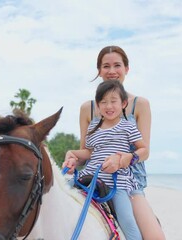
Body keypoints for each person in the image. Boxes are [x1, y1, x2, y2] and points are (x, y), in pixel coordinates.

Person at [77, 46, 166, 239]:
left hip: (129, 181)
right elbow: (87, 151)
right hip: (94, 175)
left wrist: (125, 158)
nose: (111, 71)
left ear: (126, 69)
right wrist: (72, 157)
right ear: (99, 70)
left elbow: (145, 151)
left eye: (117, 65)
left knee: (155, 237)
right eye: (105, 66)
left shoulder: (140, 104)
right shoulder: (87, 108)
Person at [63, 80, 145, 239]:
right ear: (98, 106)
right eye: (103, 102)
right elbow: (89, 153)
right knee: (60, 191)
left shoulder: (127, 126)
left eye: (113, 101)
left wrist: (130, 158)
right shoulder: (93, 127)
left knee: (127, 220)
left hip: (117, 181)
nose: (109, 106)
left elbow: (143, 148)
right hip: (90, 175)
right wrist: (73, 154)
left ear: (123, 103)